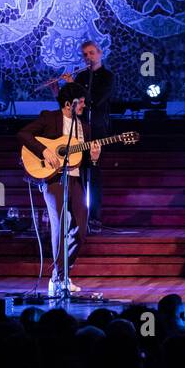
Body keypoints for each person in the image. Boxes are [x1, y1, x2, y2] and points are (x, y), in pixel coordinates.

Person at [18, 83, 101, 297]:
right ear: (68, 104)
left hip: (75, 181)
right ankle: (59, 279)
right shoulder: (49, 118)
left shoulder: (86, 128)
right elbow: (24, 134)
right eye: (80, 102)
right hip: (53, 178)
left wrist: (93, 159)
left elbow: (85, 162)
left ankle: (60, 271)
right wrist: (45, 150)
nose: (84, 105)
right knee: (60, 224)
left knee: (81, 227)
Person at [61, 41, 113, 232]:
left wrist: (73, 86)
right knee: (78, 173)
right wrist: (60, 91)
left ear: (100, 54)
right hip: (79, 130)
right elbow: (72, 105)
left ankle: (95, 218)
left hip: (97, 129)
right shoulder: (82, 76)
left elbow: (95, 101)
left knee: (94, 173)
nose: (88, 57)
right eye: (85, 54)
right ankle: (78, 216)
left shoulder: (108, 77)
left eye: (91, 53)